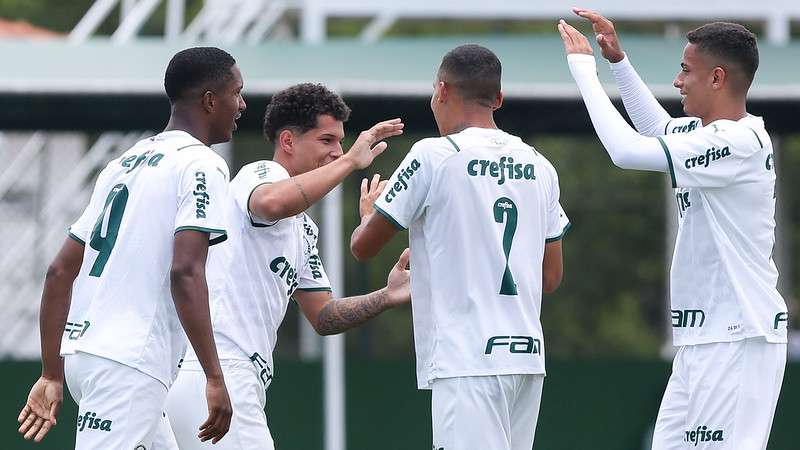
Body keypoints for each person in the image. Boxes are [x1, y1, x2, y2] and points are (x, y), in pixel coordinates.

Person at [559, 9, 787, 449]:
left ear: (717, 78)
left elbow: (626, 151)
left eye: (686, 71)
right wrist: (617, 62)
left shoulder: (739, 142)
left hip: (740, 336)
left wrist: (583, 69)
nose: (678, 81)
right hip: (701, 340)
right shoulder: (701, 132)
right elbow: (657, 129)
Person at [17, 46, 246, 448]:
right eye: (237, 93)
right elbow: (185, 271)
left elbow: (59, 271)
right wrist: (214, 375)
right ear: (211, 100)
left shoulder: (124, 163)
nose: (242, 104)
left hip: (88, 356)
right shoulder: (202, 164)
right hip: (128, 363)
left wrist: (51, 373)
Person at [165, 82, 409, 449]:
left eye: (341, 143)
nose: (337, 152)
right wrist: (350, 163)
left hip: (235, 379)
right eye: (327, 141)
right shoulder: (262, 173)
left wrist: (387, 295)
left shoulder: (303, 228)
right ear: (288, 141)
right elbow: (271, 203)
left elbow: (324, 316)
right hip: (217, 372)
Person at [350, 45, 570, 450]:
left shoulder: (433, 155)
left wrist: (368, 214)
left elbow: (363, 247)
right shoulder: (541, 164)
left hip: (468, 358)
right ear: (498, 99)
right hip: (526, 359)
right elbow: (551, 278)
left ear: (441, 90)